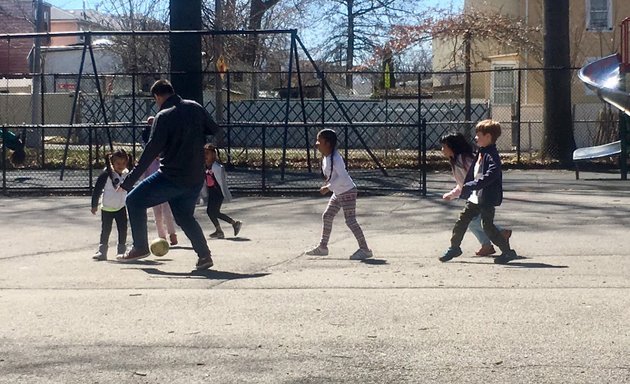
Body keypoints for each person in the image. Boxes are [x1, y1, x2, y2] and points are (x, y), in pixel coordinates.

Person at [117, 79, 219, 271]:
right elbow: (214, 129)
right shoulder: (195, 107)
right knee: (184, 217)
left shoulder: (163, 116)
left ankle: (140, 247)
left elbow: (150, 151)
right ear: (172, 91)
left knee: (134, 200)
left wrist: (128, 181)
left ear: (157, 96)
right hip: (195, 177)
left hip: (171, 176)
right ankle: (204, 256)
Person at [440, 120, 518, 264]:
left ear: (488, 137)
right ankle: (454, 248)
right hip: (475, 197)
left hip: (486, 197)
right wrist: (466, 188)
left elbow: (493, 173)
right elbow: (473, 174)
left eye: (478, 135)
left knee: (487, 226)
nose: (475, 138)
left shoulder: (491, 154)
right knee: (462, 221)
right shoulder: (482, 152)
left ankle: (508, 252)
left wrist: (474, 184)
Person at [305, 128, 372, 260]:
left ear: (328, 143)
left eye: (320, 141)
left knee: (350, 220)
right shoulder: (327, 157)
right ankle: (323, 247)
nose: (317, 144)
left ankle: (365, 249)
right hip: (339, 191)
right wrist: (330, 187)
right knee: (327, 215)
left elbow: (342, 177)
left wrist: (328, 188)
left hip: (346, 191)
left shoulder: (336, 158)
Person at [142, 116, 178, 246]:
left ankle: (172, 234)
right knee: (157, 215)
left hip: (165, 187)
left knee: (167, 211)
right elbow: (143, 174)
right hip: (153, 188)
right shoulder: (148, 159)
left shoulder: (165, 158)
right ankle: (161, 237)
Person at [91, 149, 131, 261]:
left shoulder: (127, 174)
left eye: (123, 163)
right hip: (107, 208)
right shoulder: (106, 175)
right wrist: (94, 205)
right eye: (118, 163)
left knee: (122, 229)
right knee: (105, 230)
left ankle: (121, 252)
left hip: (121, 207)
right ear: (112, 162)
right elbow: (97, 190)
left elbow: (131, 188)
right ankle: (102, 252)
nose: (121, 166)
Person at [202, 143, 242, 239]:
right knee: (211, 211)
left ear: (213, 155)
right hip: (211, 191)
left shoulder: (216, 167)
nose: (205, 156)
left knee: (213, 212)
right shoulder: (204, 166)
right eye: (204, 154)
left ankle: (231, 224)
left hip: (218, 192)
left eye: (207, 153)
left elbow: (222, 178)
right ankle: (222, 229)